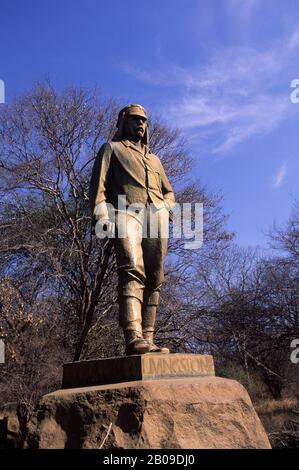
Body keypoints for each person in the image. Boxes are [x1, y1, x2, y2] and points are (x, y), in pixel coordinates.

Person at [89, 104, 175, 355]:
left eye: (144, 121)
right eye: (136, 119)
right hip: (124, 212)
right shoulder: (112, 149)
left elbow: (168, 190)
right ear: (124, 122)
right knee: (131, 267)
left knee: (155, 276)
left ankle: (148, 337)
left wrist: (167, 207)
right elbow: (99, 189)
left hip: (155, 217)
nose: (141, 124)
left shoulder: (155, 159)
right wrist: (101, 217)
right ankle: (133, 336)